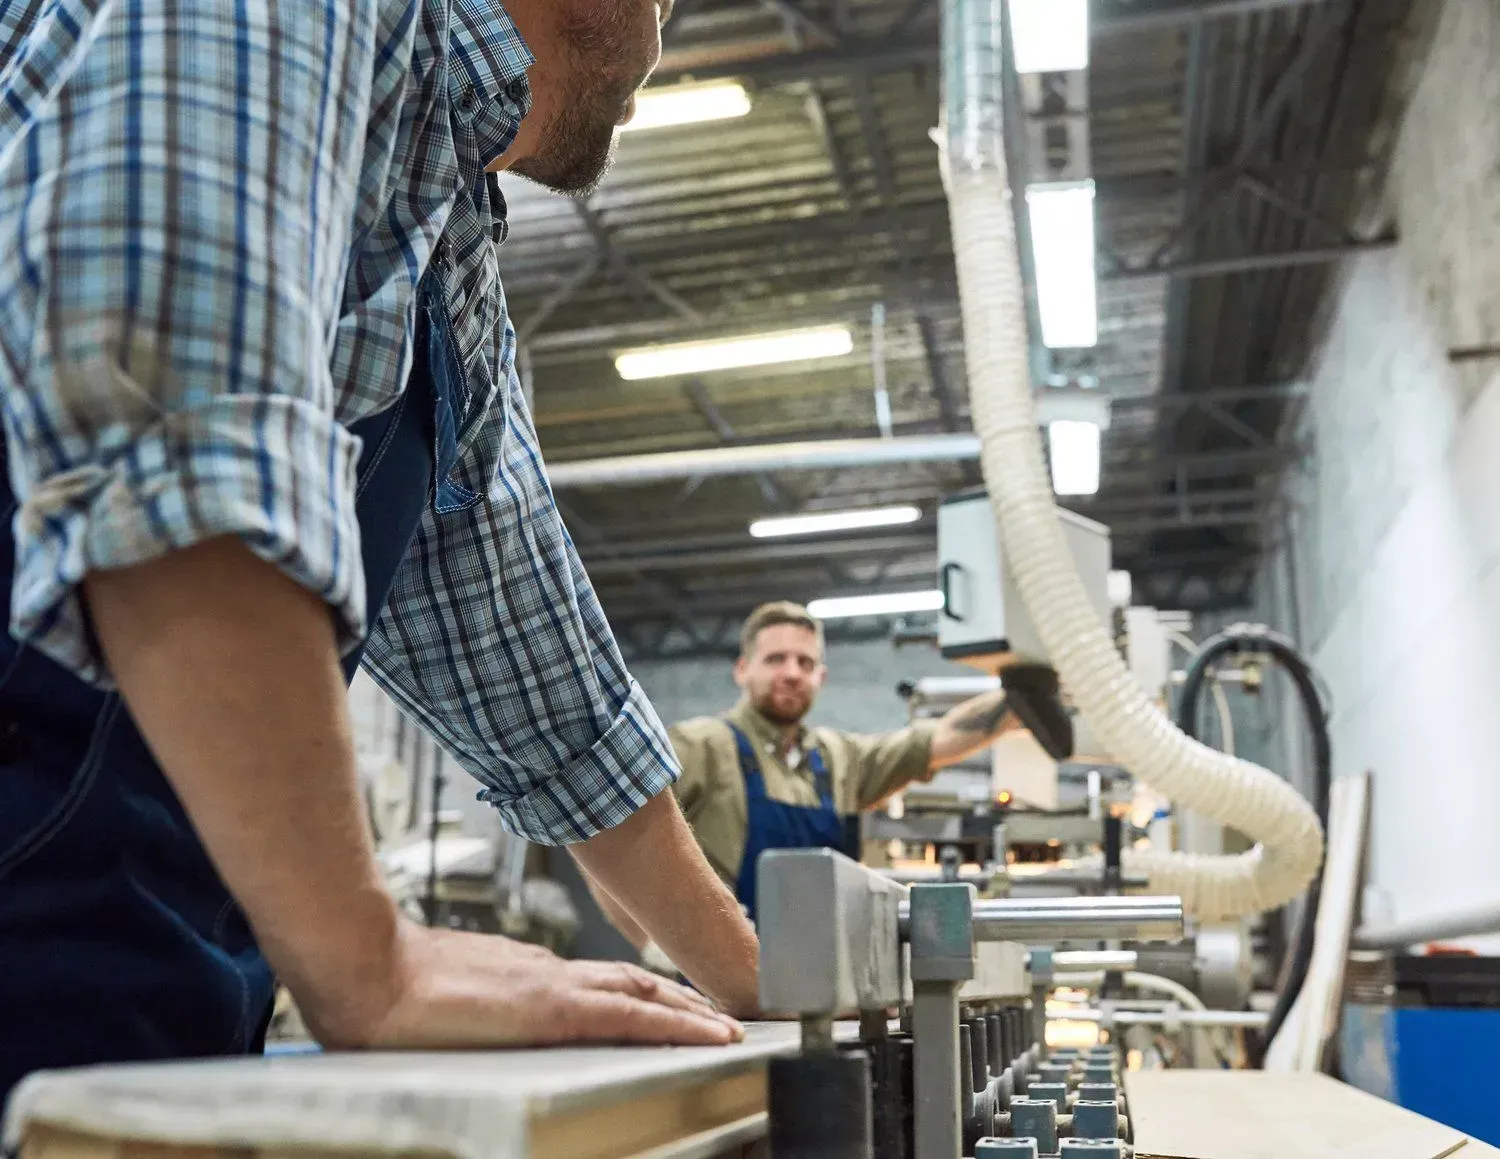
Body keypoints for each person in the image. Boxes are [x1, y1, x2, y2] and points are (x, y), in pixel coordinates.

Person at [0, 0, 758, 1105]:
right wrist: (368, 961)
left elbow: (512, 628)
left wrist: (757, 977)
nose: (666, 21)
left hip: (125, 963)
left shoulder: (437, 196)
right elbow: (159, 390)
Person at [591, 602, 1027, 942]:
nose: (791, 673)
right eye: (775, 659)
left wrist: (1026, 692)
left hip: (819, 990)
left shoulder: (838, 760)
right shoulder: (701, 746)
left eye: (805, 663)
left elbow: (936, 740)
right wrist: (656, 948)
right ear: (742, 670)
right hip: (713, 992)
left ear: (821, 676)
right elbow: (605, 843)